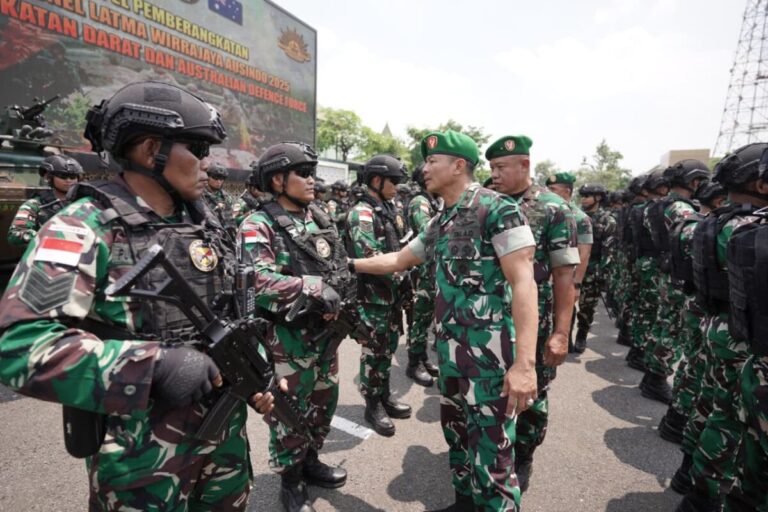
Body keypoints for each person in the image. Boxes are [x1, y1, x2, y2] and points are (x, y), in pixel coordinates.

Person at [0, 81, 277, 510]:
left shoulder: (207, 226)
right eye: (198, 150)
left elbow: (231, 313)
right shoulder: (83, 226)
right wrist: (153, 366)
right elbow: (19, 344)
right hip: (142, 461)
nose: (208, 164)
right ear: (151, 150)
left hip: (224, 443)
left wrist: (255, 371)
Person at [351, 129, 539, 512]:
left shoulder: (497, 209)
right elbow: (399, 259)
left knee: (493, 457)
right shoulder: (443, 220)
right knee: (457, 439)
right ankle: (464, 503)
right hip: (451, 358)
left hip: (489, 363)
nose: (424, 168)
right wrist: (349, 264)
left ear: (458, 166)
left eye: (432, 161)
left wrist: (525, 364)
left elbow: (524, 284)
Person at [239, 141, 350, 512]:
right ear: (277, 180)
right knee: (288, 413)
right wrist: (313, 288)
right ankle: (290, 480)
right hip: (286, 339)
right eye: (303, 173)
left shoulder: (319, 216)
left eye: (312, 172)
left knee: (324, 402)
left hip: (325, 335)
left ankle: (310, 460)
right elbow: (256, 279)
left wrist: (338, 297)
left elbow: (337, 264)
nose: (312, 180)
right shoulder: (258, 224)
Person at [672, 142, 768, 509]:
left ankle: (693, 478)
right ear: (759, 184)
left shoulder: (713, 222)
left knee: (715, 408)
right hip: (739, 334)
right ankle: (705, 491)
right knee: (731, 420)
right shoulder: (748, 227)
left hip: (716, 324)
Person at [488, 135, 579, 492]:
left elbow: (564, 276)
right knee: (492, 389)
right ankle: (492, 451)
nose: (494, 174)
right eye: (491, 167)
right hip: (489, 320)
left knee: (532, 395)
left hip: (534, 323)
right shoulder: (487, 202)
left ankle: (522, 455)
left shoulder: (554, 209)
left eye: (501, 167)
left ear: (524, 165)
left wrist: (561, 333)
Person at [345, 154, 412, 436]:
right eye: (393, 181)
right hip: (372, 297)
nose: (396, 187)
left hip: (391, 295)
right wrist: (401, 274)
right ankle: (372, 404)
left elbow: (402, 245)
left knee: (389, 345)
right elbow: (369, 254)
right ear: (376, 180)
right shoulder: (362, 213)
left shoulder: (388, 209)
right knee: (374, 351)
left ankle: (383, 395)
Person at [660, 181, 727, 447]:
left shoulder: (697, 226)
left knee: (692, 362)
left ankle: (676, 417)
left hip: (697, 303)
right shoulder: (724, 229)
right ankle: (682, 424)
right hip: (712, 310)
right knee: (704, 372)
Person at [545, 172, 593, 354]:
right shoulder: (547, 212)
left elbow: (584, 253)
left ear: (567, 191)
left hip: (566, 277)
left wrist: (577, 284)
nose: (548, 192)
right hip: (547, 276)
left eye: (553, 189)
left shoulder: (581, 218)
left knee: (563, 312)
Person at [404, 163, 440, 386]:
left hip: (431, 269)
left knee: (426, 319)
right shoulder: (420, 202)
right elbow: (428, 231)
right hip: (424, 270)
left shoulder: (432, 200)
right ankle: (413, 363)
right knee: (420, 319)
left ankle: (423, 357)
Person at [575, 183, 617, 352]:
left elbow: (609, 250)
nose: (583, 199)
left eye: (587, 196)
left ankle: (581, 335)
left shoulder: (607, 220)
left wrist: (602, 272)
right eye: (582, 196)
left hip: (593, 270)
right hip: (573, 266)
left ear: (598, 198)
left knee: (587, 307)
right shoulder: (575, 216)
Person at [7, 154, 84, 245]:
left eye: (73, 177)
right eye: (63, 176)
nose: (68, 180)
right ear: (48, 177)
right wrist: (47, 236)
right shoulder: (34, 205)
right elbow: (15, 235)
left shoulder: (85, 203)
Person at [202, 161, 237, 233]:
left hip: (224, 234)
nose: (219, 181)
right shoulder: (200, 195)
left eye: (221, 178)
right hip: (207, 233)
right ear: (208, 177)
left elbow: (230, 220)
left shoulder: (226, 197)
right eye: (215, 177)